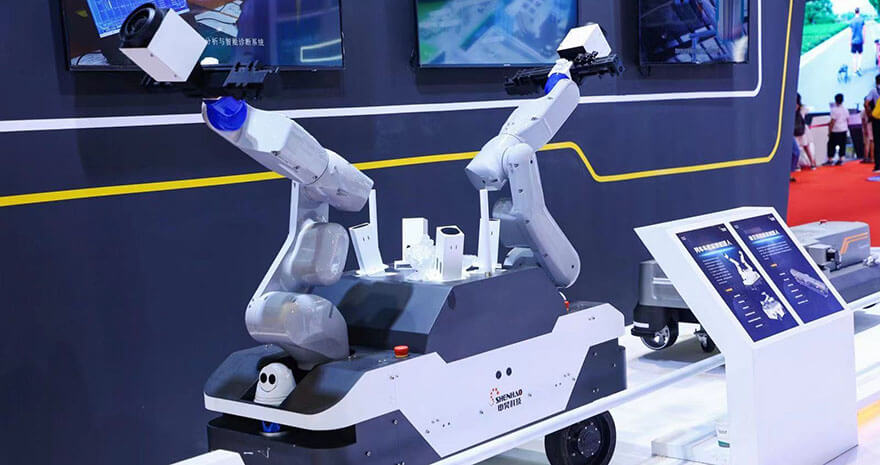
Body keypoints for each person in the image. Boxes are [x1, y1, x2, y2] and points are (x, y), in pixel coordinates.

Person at [794, 93, 817, 169]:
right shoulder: (803, 108)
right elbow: (808, 110)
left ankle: (797, 165)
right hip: (803, 130)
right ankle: (812, 163)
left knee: (796, 148)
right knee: (806, 147)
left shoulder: (789, 107)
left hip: (794, 130)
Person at [827, 93, 849, 166]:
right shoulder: (845, 109)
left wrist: (829, 131)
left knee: (831, 145)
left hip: (836, 130)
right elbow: (848, 119)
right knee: (842, 144)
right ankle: (841, 159)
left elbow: (832, 121)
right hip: (844, 129)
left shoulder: (834, 110)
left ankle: (830, 159)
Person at [866, 75, 880, 173]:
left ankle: (878, 166)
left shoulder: (873, 91)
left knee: (877, 142)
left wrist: (869, 113)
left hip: (877, 119)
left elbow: (866, 103)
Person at [851, 8, 867, 76]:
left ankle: (854, 71)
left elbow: (851, 32)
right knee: (860, 55)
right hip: (860, 40)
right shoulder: (862, 20)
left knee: (854, 56)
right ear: (859, 12)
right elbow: (864, 30)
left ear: (854, 12)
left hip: (853, 41)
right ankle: (858, 68)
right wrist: (864, 39)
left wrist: (850, 41)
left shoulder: (852, 20)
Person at [861, 99, 874, 164]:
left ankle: (867, 157)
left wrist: (865, 129)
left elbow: (863, 121)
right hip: (872, 127)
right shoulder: (872, 110)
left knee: (867, 143)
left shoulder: (864, 111)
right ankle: (872, 158)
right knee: (871, 142)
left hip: (868, 127)